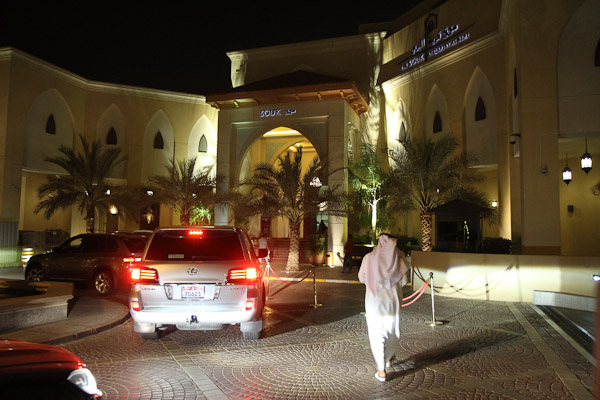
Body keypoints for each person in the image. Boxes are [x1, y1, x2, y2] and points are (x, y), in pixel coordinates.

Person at [358, 233, 409, 382]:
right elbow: (405, 280)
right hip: (392, 301)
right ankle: (388, 358)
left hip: (374, 301)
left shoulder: (369, 258)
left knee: (376, 332)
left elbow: (362, 278)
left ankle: (381, 370)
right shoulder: (398, 258)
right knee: (391, 329)